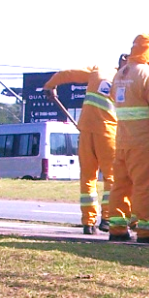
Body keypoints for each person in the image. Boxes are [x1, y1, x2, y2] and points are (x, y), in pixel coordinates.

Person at [104, 34, 149, 243]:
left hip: (122, 142)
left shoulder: (121, 74)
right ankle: (146, 231)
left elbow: (114, 99)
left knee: (120, 186)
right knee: (144, 186)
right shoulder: (148, 74)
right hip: (145, 142)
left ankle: (117, 229)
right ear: (148, 51)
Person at [42, 64, 117, 234]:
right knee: (112, 177)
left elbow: (66, 74)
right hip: (108, 133)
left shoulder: (97, 71)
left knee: (88, 177)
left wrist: (50, 85)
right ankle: (108, 219)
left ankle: (88, 223)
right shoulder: (127, 80)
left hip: (85, 131)